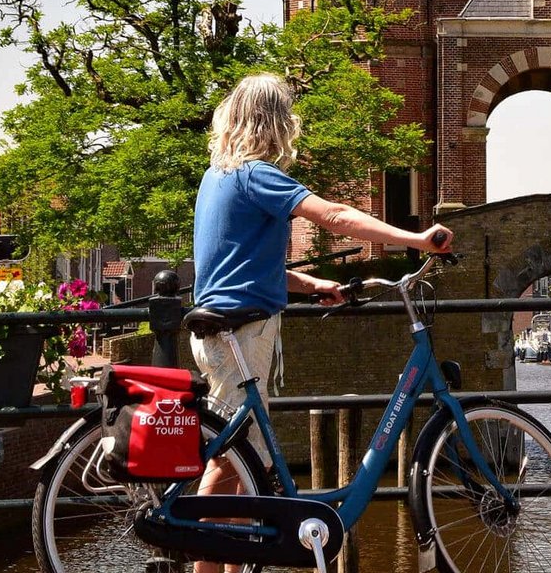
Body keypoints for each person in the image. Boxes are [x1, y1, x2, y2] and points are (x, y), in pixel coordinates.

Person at [191, 72, 453, 573]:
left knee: (245, 467)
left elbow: (237, 267)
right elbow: (332, 214)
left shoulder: (216, 178)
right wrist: (417, 240)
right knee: (231, 462)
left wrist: (312, 285)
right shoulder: (257, 174)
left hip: (224, 331)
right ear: (275, 123)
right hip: (240, 335)